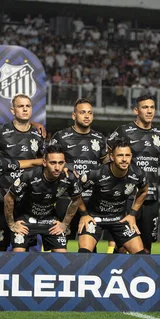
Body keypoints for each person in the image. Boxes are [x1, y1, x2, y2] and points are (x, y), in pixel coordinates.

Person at [107, 94, 160, 253]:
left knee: (147, 247)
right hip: (127, 197)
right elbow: (107, 153)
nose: (149, 111)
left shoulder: (159, 133)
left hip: (151, 197)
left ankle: (143, 276)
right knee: (122, 246)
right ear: (136, 110)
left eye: (152, 107)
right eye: (145, 107)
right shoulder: (124, 131)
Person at [50, 99, 108, 250]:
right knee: (59, 245)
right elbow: (48, 162)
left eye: (90, 112)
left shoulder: (100, 139)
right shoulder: (60, 137)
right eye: (82, 112)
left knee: (88, 248)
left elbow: (106, 166)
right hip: (66, 199)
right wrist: (66, 166)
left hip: (90, 200)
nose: (87, 116)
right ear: (74, 115)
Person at [4, 144, 82, 253]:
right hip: (25, 217)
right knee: (18, 253)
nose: (57, 167)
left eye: (60, 163)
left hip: (49, 218)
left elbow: (77, 199)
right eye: (53, 163)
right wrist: (11, 224)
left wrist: (65, 223)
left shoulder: (69, 178)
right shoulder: (29, 175)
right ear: (44, 162)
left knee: (62, 254)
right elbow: (8, 197)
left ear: (65, 163)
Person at [77, 140, 149, 254]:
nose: (124, 159)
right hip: (94, 218)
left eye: (127, 155)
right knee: (84, 254)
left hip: (119, 219)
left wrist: (132, 214)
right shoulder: (96, 174)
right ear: (112, 157)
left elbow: (144, 191)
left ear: (131, 156)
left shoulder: (138, 174)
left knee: (141, 255)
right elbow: (75, 192)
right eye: (120, 155)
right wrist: (84, 214)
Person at [0, 93, 44, 251]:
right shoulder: (0, 132)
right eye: (21, 106)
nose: (25, 109)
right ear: (12, 110)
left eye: (28, 106)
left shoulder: (38, 135)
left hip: (27, 201)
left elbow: (42, 163)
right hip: (2, 196)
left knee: (23, 248)